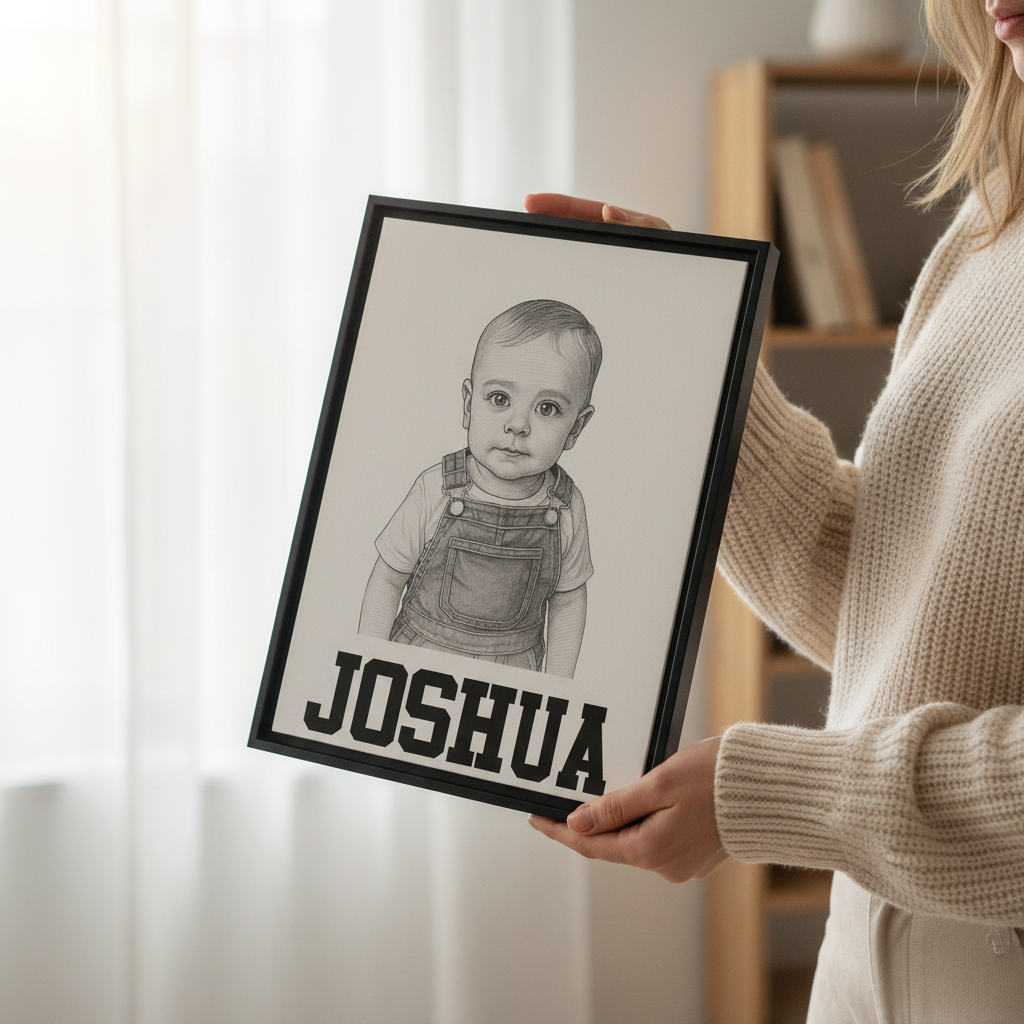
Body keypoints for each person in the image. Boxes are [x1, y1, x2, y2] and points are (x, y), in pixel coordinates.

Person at [526, 0, 1024, 1016]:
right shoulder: (989, 233)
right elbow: (894, 609)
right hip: (862, 959)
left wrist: (769, 796)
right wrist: (699, 371)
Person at [359, 298, 599, 678]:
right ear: (469, 404)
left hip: (513, 675)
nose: (518, 424)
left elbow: (568, 599)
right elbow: (389, 578)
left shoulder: (567, 507)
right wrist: (370, 663)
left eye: (548, 408)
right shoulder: (436, 487)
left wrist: (559, 686)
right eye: (500, 399)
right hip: (417, 661)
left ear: (576, 427)